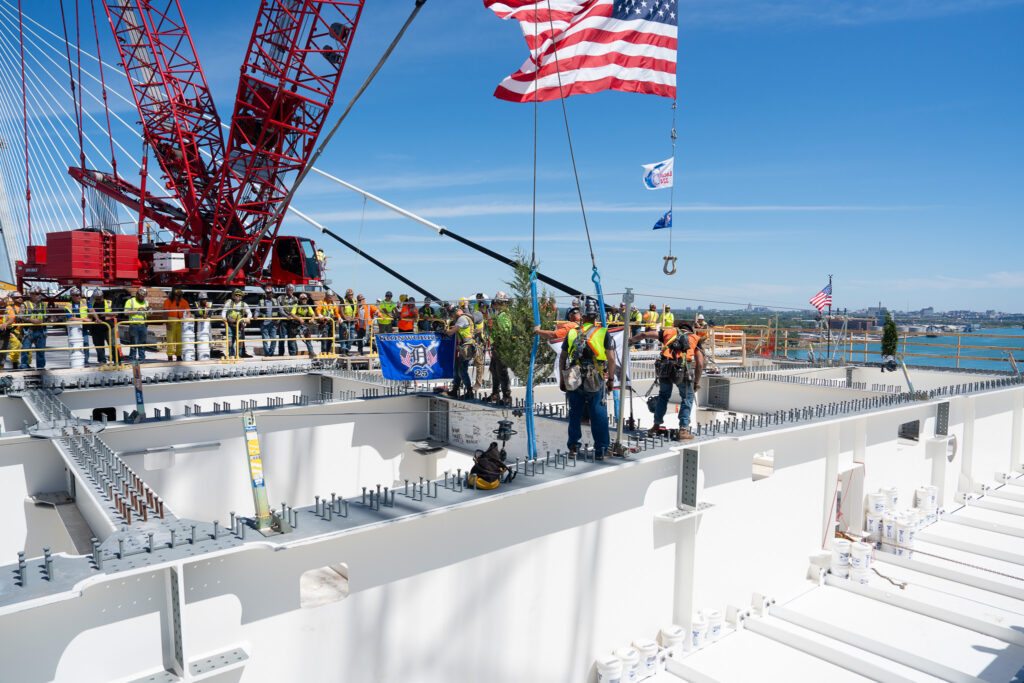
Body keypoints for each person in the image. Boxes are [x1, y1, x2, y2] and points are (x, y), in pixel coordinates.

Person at [629, 320, 704, 440]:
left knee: (663, 396)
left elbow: (644, 335)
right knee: (687, 398)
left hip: (665, 369)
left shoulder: (668, 332)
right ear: (691, 329)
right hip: (682, 371)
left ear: (677, 327)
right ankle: (683, 431)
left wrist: (630, 341)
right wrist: (696, 383)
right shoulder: (695, 338)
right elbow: (700, 364)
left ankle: (655, 426)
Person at [560, 298, 616, 458]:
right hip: (594, 375)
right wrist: (611, 379)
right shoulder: (603, 332)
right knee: (598, 413)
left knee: (575, 413)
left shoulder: (572, 332)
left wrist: (562, 379)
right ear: (596, 316)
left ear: (582, 316)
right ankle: (602, 450)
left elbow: (563, 358)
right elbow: (611, 359)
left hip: (574, 373)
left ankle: (573, 448)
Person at [442, 304, 475, 398]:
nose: (453, 317)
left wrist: (445, 331)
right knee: (457, 368)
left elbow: (452, 332)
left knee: (462, 369)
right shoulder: (464, 317)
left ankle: (469, 391)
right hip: (465, 346)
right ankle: (455, 390)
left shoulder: (462, 319)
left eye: (452, 315)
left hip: (467, 347)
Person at [485, 292, 512, 406]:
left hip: (501, 347)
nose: (494, 304)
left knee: (501, 371)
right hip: (497, 346)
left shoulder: (504, 316)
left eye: (496, 302)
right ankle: (495, 393)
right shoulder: (499, 315)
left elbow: (506, 331)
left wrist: (499, 342)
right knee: (493, 369)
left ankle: (507, 396)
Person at [62, 287, 91, 363]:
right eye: (77, 295)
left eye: (79, 295)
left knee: (86, 344)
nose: (79, 297)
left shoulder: (85, 302)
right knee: (75, 345)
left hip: (84, 327)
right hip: (74, 329)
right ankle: (75, 361)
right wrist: (84, 319)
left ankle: (86, 361)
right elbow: (70, 318)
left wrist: (92, 317)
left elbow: (91, 310)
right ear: (72, 296)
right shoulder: (68, 306)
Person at [221, 290, 252, 358]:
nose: (238, 296)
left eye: (239, 295)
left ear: (241, 296)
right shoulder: (229, 303)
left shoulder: (244, 304)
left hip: (239, 325)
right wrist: (223, 317)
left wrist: (248, 319)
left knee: (240, 341)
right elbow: (224, 311)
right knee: (229, 341)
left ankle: (239, 355)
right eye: (236, 295)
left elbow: (249, 313)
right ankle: (231, 355)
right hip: (230, 324)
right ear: (234, 296)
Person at [122, 287, 151, 362]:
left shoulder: (145, 302)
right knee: (134, 343)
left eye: (143, 296)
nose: (142, 298)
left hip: (143, 325)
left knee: (142, 343)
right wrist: (137, 310)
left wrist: (149, 311)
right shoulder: (130, 301)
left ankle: (142, 358)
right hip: (134, 325)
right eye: (141, 296)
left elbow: (147, 314)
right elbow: (126, 313)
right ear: (137, 294)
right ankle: (132, 359)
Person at [86, 289, 113, 365]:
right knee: (98, 345)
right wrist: (94, 316)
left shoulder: (109, 303)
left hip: (108, 327)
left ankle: (116, 360)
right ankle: (102, 361)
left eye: (99, 298)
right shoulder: (91, 303)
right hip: (96, 328)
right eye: (96, 298)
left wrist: (106, 314)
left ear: (102, 296)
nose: (97, 300)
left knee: (112, 344)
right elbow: (87, 314)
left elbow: (116, 313)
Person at [162, 286, 189, 361]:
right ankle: (170, 356)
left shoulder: (184, 301)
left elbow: (188, 312)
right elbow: (165, 312)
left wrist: (186, 320)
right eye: (177, 292)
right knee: (170, 340)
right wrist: (167, 323)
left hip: (181, 322)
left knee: (180, 340)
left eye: (179, 292)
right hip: (171, 321)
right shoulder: (167, 301)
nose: (178, 294)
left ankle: (179, 356)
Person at [256, 285, 281, 357]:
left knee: (273, 339)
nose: (269, 294)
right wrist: (255, 315)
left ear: (273, 293)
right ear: (265, 294)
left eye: (270, 293)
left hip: (273, 323)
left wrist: (287, 316)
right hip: (264, 323)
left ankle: (271, 353)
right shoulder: (261, 302)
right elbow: (257, 310)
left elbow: (281, 310)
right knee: (265, 339)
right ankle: (267, 353)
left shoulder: (276, 301)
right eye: (268, 293)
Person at [291, 292, 317, 357]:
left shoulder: (307, 307)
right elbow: (292, 314)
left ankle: (311, 351)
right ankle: (294, 353)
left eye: (305, 299)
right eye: (303, 299)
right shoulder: (296, 306)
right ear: (300, 299)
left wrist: (312, 318)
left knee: (308, 336)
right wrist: (299, 319)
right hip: (295, 324)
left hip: (303, 324)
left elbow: (313, 314)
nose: (304, 300)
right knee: (292, 339)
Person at [279, 284, 300, 356]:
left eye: (292, 290)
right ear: (286, 290)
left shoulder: (295, 299)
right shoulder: (280, 298)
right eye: (289, 289)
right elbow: (279, 309)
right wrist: (286, 315)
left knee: (291, 337)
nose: (290, 291)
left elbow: (297, 309)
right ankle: (281, 353)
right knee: (282, 338)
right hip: (283, 320)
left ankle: (292, 353)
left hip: (292, 321)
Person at [4, 292, 23, 368]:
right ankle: (14, 363)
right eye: (17, 297)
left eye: (21, 297)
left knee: (27, 348)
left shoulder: (25, 306)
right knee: (15, 347)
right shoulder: (9, 308)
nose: (20, 298)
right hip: (14, 331)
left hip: (24, 330)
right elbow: (9, 319)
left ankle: (27, 363)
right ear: (13, 299)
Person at [338, 289, 357, 353]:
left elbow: (357, 309)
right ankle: (343, 348)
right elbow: (341, 310)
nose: (350, 296)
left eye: (351, 294)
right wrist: (345, 318)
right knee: (343, 335)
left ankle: (347, 348)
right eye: (349, 295)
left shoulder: (355, 300)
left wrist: (357, 317)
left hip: (351, 321)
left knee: (352, 337)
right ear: (346, 295)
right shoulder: (343, 300)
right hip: (344, 321)